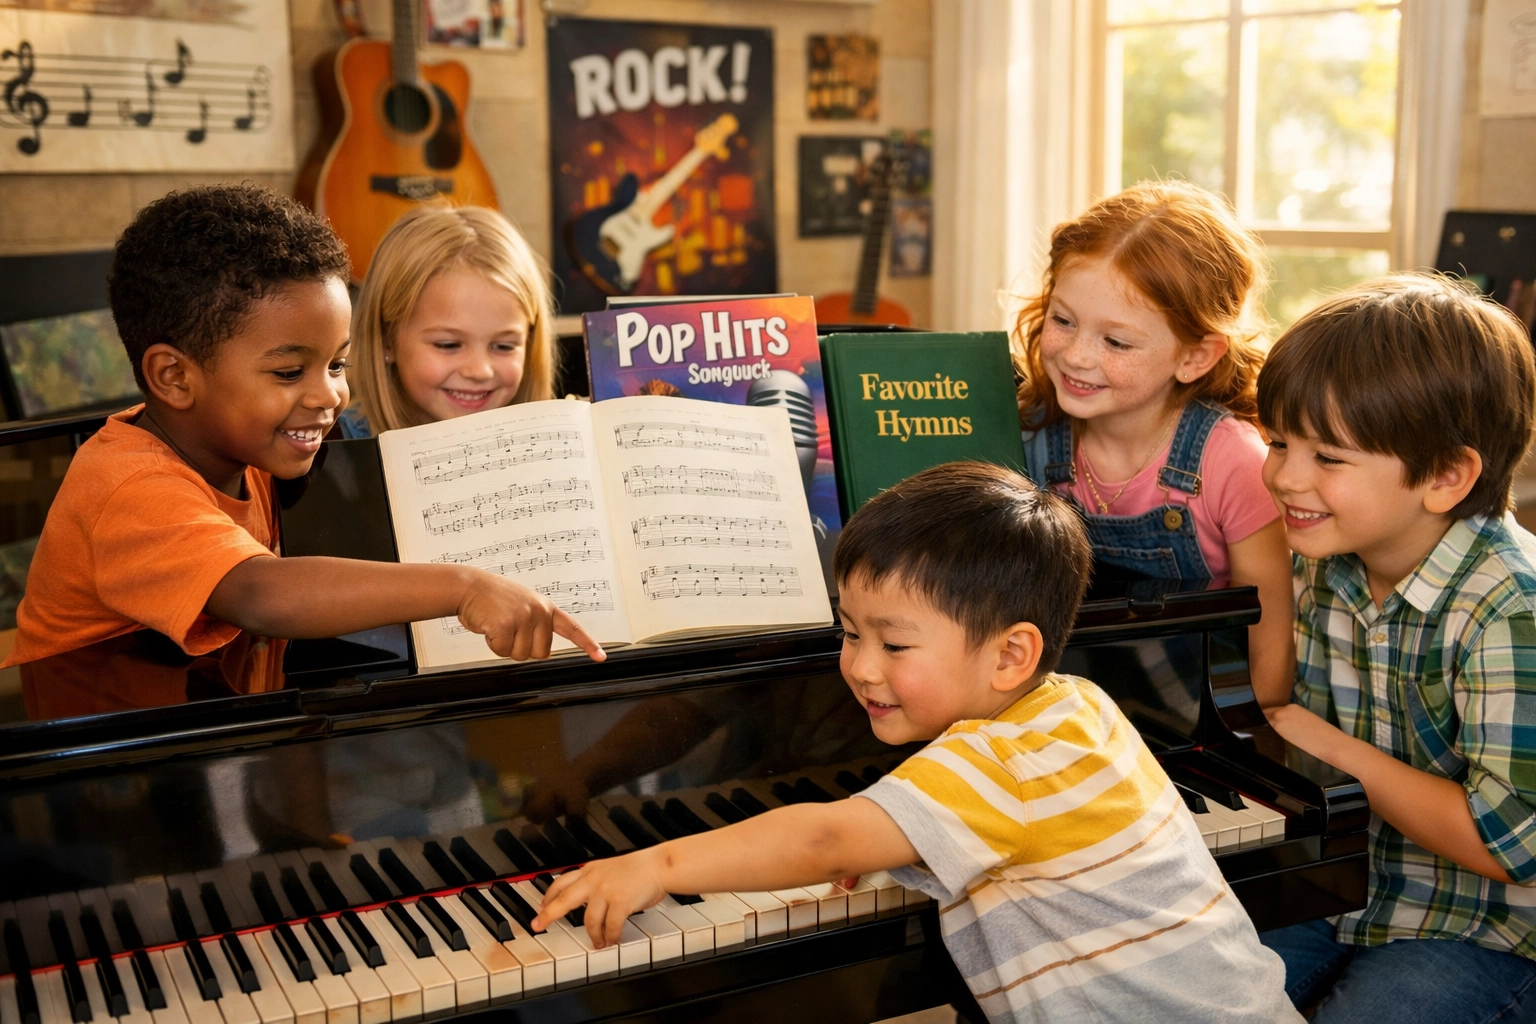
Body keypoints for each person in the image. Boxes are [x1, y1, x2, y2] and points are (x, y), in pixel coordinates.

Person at [532, 461, 1300, 1024]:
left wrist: (658, 863)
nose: (859, 668)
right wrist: (891, 840)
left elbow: (828, 836)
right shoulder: (1076, 707)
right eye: (848, 631)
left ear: (1010, 655)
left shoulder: (997, 761)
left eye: (895, 646)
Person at [4, 184, 602, 676]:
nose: (330, 395)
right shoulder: (128, 486)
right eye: (291, 371)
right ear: (174, 376)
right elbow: (262, 594)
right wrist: (465, 587)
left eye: (336, 363)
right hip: (100, 785)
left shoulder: (247, 451)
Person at [1254, 274, 1536, 1023]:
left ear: (1445, 475)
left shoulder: (1511, 608)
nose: (1284, 475)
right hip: (1339, 890)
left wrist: (1330, 747)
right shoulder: (1323, 558)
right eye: (1280, 441)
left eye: (1328, 458)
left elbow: (1509, 843)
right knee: (1190, 996)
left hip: (1488, 931)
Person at [1015, 181, 1293, 706]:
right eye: (1063, 320)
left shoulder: (1231, 459)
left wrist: (1260, 745)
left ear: (1195, 357)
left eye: (1115, 342)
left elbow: (1271, 633)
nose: (1076, 356)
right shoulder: (1028, 431)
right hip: (1061, 703)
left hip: (1196, 716)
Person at [339, 204, 557, 438]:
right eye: (448, 345)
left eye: (504, 346)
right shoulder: (331, 448)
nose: (480, 371)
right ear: (387, 339)